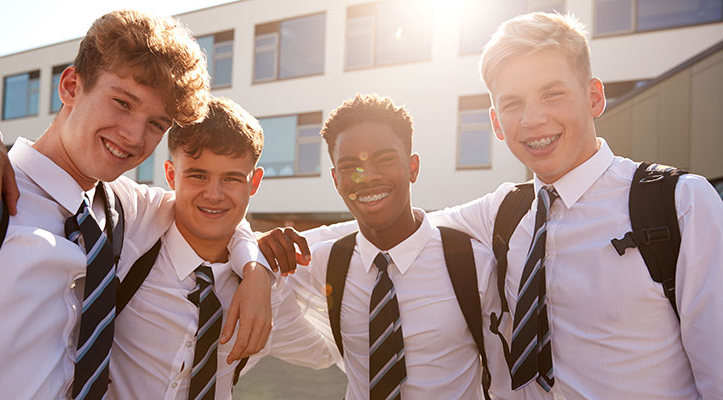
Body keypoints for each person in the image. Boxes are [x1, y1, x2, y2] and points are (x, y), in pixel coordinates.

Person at [265, 12, 723, 399]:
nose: (533, 118)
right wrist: (257, 260)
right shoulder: (502, 213)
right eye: (512, 103)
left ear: (594, 96)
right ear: (496, 123)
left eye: (552, 93)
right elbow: (387, 227)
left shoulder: (678, 204)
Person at [0, 10, 272, 399]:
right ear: (72, 86)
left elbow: (211, 209)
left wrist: (255, 270)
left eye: (157, 124)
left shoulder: (125, 209)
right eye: (122, 102)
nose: (134, 136)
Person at [274, 93, 515, 399]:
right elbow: (231, 260)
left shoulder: (472, 264)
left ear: (413, 167)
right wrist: (254, 260)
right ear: (335, 179)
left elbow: (506, 381)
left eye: (385, 159)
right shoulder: (322, 264)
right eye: (350, 166)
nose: (368, 177)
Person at [110, 97, 338, 400]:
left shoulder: (269, 293)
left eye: (231, 178)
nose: (213, 194)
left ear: (254, 182)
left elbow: (325, 352)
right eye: (197, 175)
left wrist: (261, 269)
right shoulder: (133, 230)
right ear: (170, 175)